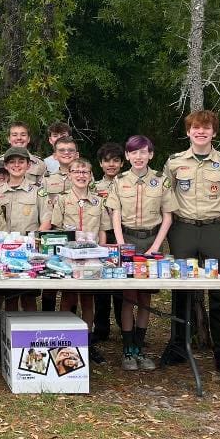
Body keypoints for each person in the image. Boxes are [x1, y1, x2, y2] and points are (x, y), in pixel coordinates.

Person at [160, 110, 220, 373]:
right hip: (183, 230)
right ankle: (178, 346)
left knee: (218, 293)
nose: (201, 132)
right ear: (188, 132)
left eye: (206, 128)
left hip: (214, 229)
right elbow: (166, 199)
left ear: (214, 133)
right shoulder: (174, 162)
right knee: (181, 291)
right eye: (196, 128)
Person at [40, 157, 122, 364]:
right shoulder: (61, 200)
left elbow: (103, 231)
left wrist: (102, 255)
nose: (81, 175)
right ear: (69, 175)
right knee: (68, 298)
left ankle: (86, 342)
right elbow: (57, 229)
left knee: (87, 300)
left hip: (92, 258)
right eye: (76, 171)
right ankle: (63, 341)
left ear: (91, 175)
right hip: (69, 257)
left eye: (85, 172)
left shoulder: (98, 201)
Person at [104, 136, 176, 371]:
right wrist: (122, 243)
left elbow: (168, 215)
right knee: (129, 297)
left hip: (152, 239)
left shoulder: (161, 181)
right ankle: (127, 350)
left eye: (143, 152)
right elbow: (115, 214)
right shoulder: (119, 182)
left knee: (145, 298)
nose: (138, 157)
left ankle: (140, 347)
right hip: (127, 239)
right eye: (133, 153)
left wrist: (156, 246)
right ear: (127, 156)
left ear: (151, 155)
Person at [0, 146, 43, 311]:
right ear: (5, 166)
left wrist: (34, 246)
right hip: (5, 254)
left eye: (21, 161)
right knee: (9, 298)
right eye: (12, 162)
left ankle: (32, 334)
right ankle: (7, 333)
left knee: (28, 298)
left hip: (29, 253)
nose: (16, 165)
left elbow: (46, 221)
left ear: (28, 165)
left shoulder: (38, 192)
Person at [91, 142, 126, 343]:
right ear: (101, 164)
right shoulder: (94, 186)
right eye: (107, 161)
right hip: (102, 235)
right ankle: (101, 326)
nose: (111, 165)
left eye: (115, 160)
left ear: (122, 163)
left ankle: (124, 326)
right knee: (101, 283)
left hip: (122, 235)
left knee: (121, 283)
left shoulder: (128, 183)